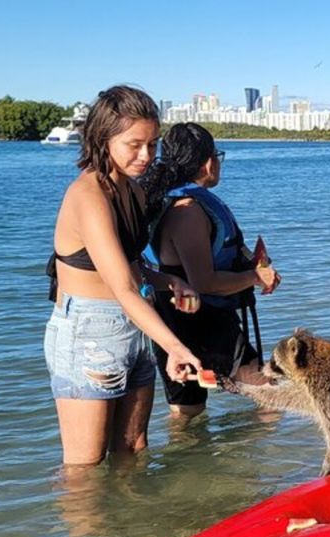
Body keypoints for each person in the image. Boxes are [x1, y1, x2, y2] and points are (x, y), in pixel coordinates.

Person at [44, 86, 203, 466]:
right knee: (84, 468)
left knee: (133, 453)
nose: (146, 155)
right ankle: (83, 528)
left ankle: (131, 528)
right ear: (103, 138)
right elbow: (123, 286)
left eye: (153, 144)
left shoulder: (130, 189)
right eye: (134, 144)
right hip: (88, 333)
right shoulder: (88, 194)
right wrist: (176, 347)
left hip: (132, 328)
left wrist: (169, 281)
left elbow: (128, 266)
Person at [141, 122, 280, 418]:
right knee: (273, 395)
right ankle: (258, 461)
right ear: (208, 162)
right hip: (201, 322)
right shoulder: (188, 210)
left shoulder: (171, 201)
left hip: (171, 321)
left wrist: (250, 265)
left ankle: (189, 462)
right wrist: (256, 278)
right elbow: (203, 282)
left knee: (187, 411)